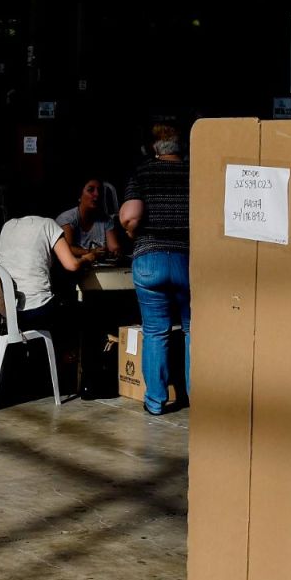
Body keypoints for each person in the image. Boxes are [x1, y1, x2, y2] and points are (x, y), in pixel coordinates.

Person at [119, 125, 190, 415]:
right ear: (179, 147)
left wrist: (133, 233)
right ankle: (197, 397)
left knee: (155, 331)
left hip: (150, 258)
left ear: (154, 148)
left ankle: (156, 401)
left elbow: (130, 215)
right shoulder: (195, 173)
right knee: (193, 330)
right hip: (189, 259)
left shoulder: (143, 173)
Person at [56, 177, 121, 257]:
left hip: (100, 267)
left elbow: (113, 247)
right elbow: (67, 249)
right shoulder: (66, 218)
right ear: (80, 195)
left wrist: (115, 251)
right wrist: (91, 252)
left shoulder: (106, 220)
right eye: (90, 190)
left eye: (99, 190)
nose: (97, 194)